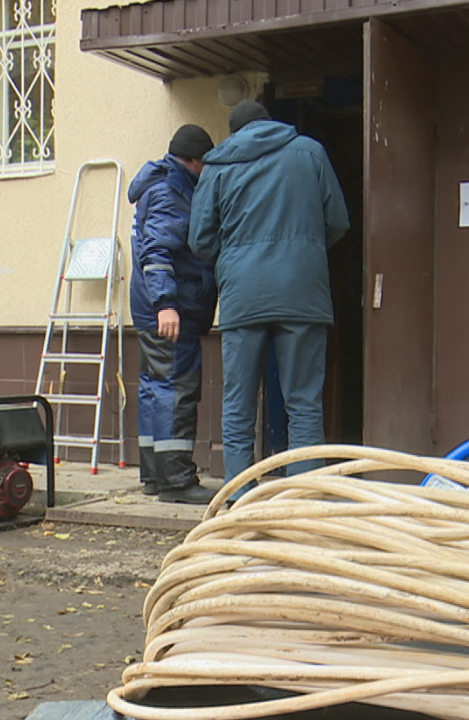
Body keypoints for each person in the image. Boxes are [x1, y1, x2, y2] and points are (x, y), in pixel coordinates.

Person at [189, 99, 349, 493]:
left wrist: (236, 255)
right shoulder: (310, 151)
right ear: (270, 123)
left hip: (243, 296)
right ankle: (305, 499)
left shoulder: (220, 164)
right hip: (302, 291)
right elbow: (338, 222)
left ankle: (238, 497)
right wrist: (305, 249)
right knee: (304, 402)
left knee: (239, 402)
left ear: (234, 131)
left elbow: (200, 239)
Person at [128, 124, 219, 505]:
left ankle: (154, 475)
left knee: (154, 387)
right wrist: (166, 303)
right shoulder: (171, 190)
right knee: (175, 390)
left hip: (153, 309)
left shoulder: (159, 183)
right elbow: (158, 251)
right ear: (195, 161)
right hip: (169, 310)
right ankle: (177, 482)